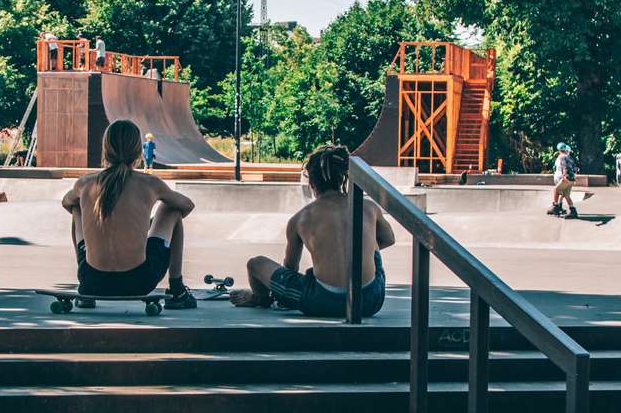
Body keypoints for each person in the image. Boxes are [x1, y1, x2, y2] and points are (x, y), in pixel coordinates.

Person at [231, 144, 394, 318]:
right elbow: (388, 239)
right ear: (344, 178)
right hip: (369, 300)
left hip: (322, 301)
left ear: (311, 182)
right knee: (372, 244)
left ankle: (260, 298)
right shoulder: (367, 207)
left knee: (255, 263)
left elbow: (290, 269)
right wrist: (362, 250)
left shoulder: (301, 218)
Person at [61, 120, 196, 308]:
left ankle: (85, 296)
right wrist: (147, 224)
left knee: (77, 208)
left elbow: (66, 203)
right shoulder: (150, 183)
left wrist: (95, 216)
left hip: (92, 281)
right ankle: (177, 290)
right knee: (170, 209)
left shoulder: (85, 183)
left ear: (106, 149)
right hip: (139, 280)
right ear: (138, 151)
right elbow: (187, 206)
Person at [549, 142, 578, 219]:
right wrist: (574, 177)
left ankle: (556, 208)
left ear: (559, 150)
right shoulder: (570, 158)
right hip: (571, 179)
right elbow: (575, 168)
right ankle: (573, 212)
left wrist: (564, 176)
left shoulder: (561, 157)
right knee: (566, 195)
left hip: (566, 179)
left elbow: (564, 166)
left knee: (555, 190)